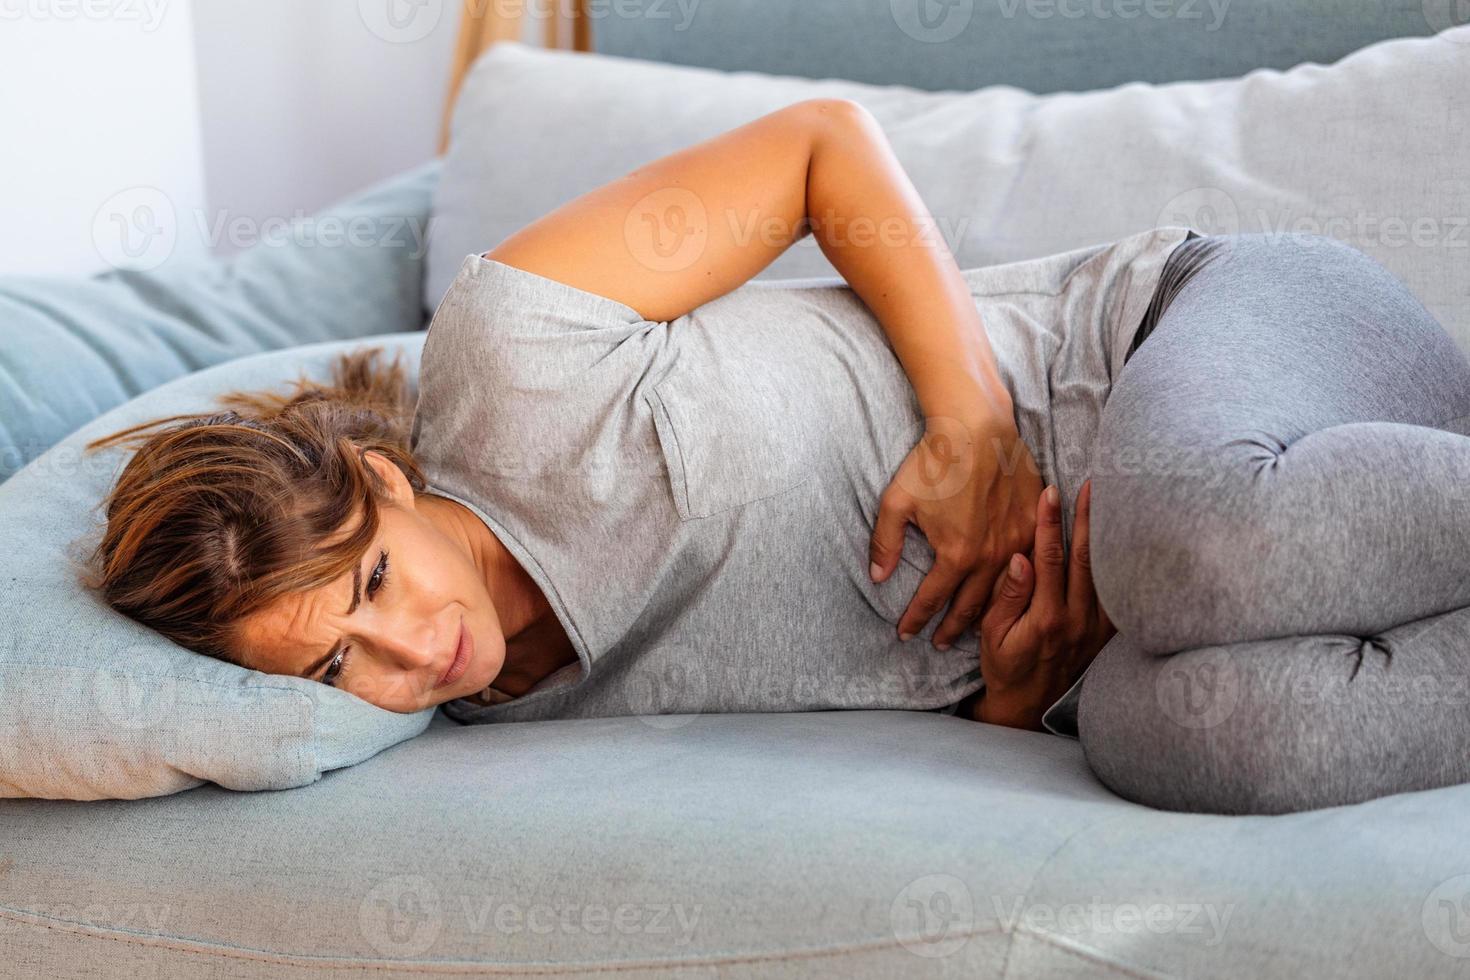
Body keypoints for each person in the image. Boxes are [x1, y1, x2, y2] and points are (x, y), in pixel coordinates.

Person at [81, 99, 1470, 815]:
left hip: (1203, 332)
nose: (411, 654)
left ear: (380, 484)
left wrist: (970, 421)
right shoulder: (506, 719)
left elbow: (822, 151)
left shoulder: (505, 359)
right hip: (1172, 590)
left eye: (375, 581)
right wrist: (1010, 697)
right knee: (1188, 744)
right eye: (334, 667)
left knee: (1190, 545)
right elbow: (889, 685)